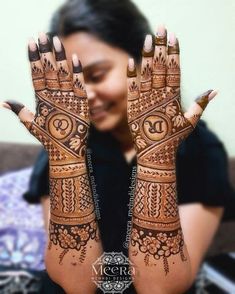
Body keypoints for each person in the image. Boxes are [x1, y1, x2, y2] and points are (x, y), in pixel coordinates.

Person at [3, 0, 234, 293]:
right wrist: (65, 156)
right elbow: (76, 283)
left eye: (97, 75)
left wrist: (155, 157)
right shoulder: (65, 141)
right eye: (75, 82)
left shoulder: (198, 148)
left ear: (142, 62)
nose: (85, 95)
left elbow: (160, 287)